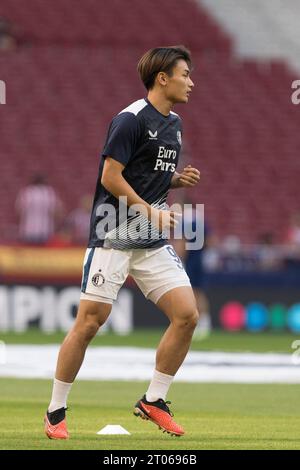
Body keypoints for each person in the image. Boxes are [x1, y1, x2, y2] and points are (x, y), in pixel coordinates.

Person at [44, 46, 200, 439]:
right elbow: (110, 177)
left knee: (187, 315)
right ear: (162, 78)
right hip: (113, 234)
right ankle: (56, 410)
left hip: (148, 240)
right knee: (90, 323)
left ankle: (153, 400)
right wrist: (152, 210)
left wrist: (175, 180)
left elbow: (145, 173)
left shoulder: (176, 123)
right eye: (185, 74)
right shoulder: (129, 119)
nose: (191, 81)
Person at [15, 174, 63, 245]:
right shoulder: (49, 192)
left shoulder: (26, 192)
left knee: (29, 254)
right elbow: (57, 212)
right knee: (43, 255)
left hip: (28, 230)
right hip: (46, 230)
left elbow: (19, 211)